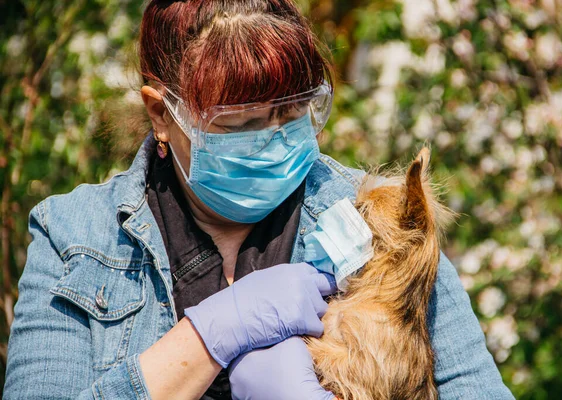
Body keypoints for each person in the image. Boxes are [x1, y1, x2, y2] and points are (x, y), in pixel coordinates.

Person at [4, 1, 515, 399]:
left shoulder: (383, 224)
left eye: (292, 113)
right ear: (161, 114)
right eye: (241, 123)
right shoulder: (73, 234)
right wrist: (214, 333)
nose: (273, 137)